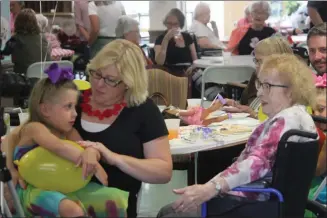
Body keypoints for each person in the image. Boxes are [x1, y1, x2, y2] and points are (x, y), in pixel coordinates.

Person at [157, 54, 317, 217]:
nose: (260, 92)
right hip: (268, 201)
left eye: (267, 86)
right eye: (260, 84)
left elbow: (256, 164)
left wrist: (210, 188)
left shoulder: (284, 121)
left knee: (170, 213)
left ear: (290, 91)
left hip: (255, 202)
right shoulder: (300, 118)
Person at [3, 63, 129, 217]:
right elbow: (58, 147)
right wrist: (94, 165)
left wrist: (91, 153)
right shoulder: (34, 129)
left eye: (75, 107)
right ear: (45, 110)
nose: (75, 114)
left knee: (114, 200)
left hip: (62, 188)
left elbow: (88, 147)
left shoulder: (69, 132)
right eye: (68, 107)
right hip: (30, 191)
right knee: (72, 210)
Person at [70, 39, 172, 218]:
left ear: (128, 83)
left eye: (110, 80)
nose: (99, 84)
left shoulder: (143, 110)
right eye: (96, 74)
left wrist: (114, 158)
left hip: (116, 209)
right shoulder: (72, 102)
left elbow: (163, 171)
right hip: (65, 202)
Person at [222, 36, 293, 118]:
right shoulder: (258, 77)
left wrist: (253, 114)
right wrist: (236, 105)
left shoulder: (288, 89)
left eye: (261, 61)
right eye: (256, 61)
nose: (257, 66)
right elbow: (246, 103)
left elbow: (282, 121)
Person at [1, 9, 51, 75]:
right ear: (35, 22)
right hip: (44, 77)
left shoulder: (15, 39)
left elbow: (6, 52)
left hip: (25, 78)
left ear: (17, 22)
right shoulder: (43, 37)